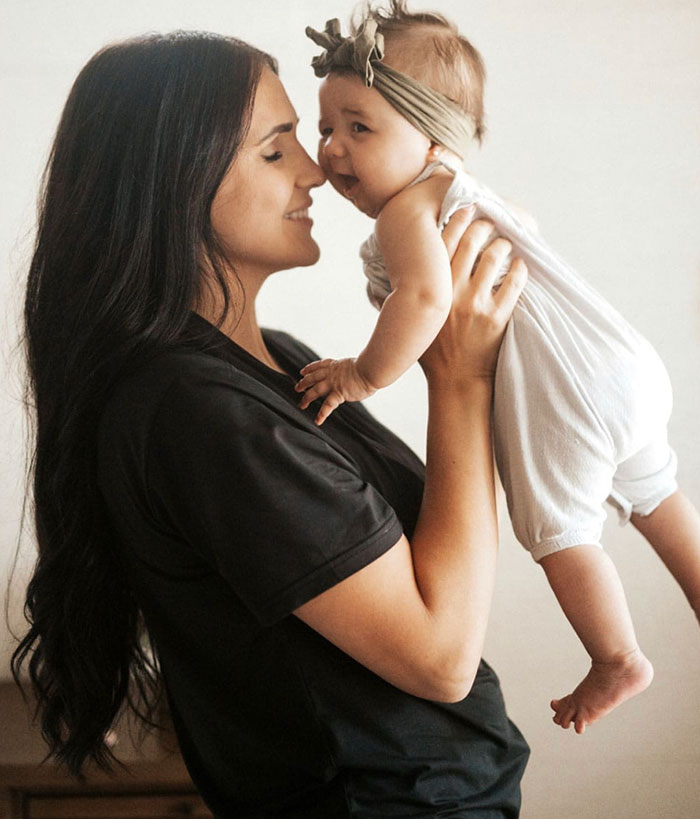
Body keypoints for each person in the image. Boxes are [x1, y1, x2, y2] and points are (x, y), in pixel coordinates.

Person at [11, 30, 531, 817]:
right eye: (274, 149)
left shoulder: (279, 362)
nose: (318, 169)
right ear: (175, 181)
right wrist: (460, 380)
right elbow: (440, 657)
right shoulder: (197, 411)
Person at [299, 1, 700, 735]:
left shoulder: (406, 212)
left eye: (360, 127)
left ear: (430, 135)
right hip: (618, 356)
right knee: (655, 490)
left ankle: (618, 656)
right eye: (326, 127)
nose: (331, 150)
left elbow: (423, 298)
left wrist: (362, 374)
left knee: (557, 530)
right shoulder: (460, 186)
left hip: (566, 394)